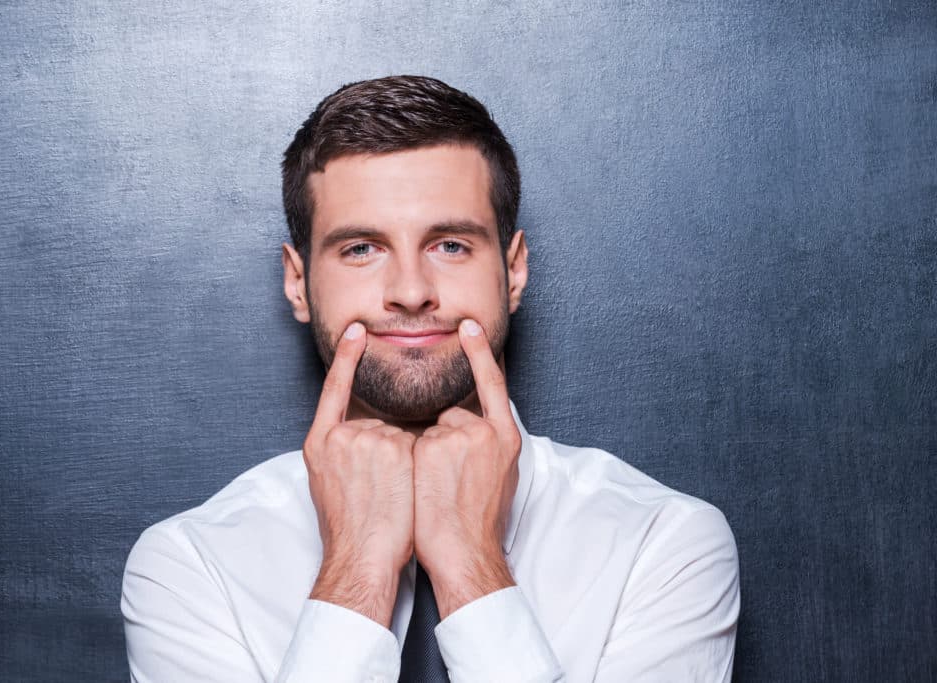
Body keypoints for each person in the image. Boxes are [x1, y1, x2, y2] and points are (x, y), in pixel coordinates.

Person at [121, 75, 740, 682]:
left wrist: (473, 565)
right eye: (361, 248)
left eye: (449, 245)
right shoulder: (190, 567)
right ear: (297, 281)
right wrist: (355, 569)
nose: (412, 292)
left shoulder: (661, 544)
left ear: (515, 271)